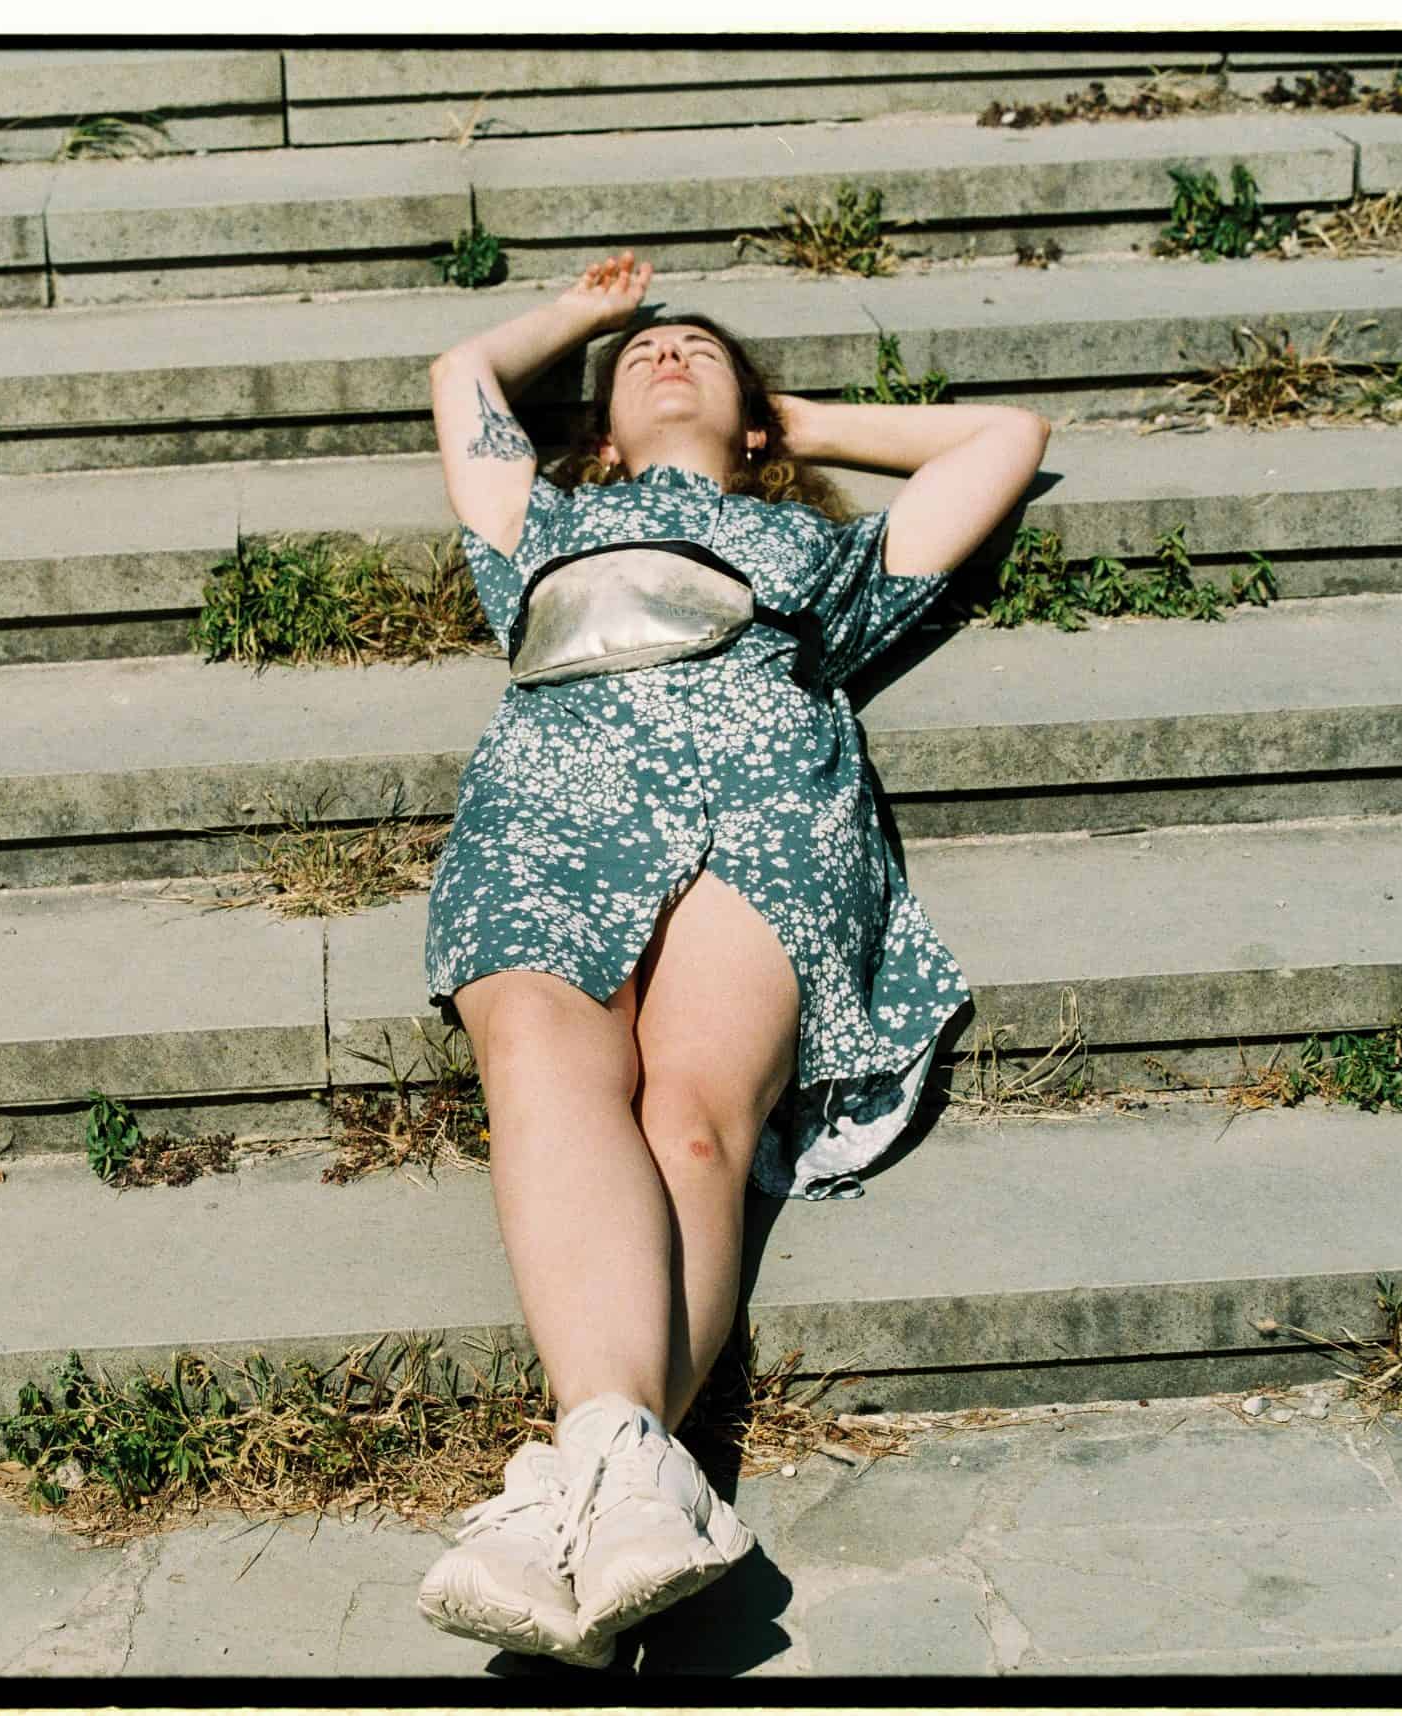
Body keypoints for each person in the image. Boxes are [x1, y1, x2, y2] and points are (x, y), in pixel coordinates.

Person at [412, 251, 1049, 1668]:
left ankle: (580, 1487)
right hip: (553, 788)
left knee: (694, 1126)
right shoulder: (539, 518)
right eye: (646, 356)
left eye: (705, 348)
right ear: (594, 423)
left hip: (760, 793)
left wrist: (794, 422)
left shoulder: (832, 558)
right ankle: (628, 1475)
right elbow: (462, 377)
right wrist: (587, 314)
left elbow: (1005, 441)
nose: (670, 351)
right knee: (539, 1067)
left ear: (758, 419)